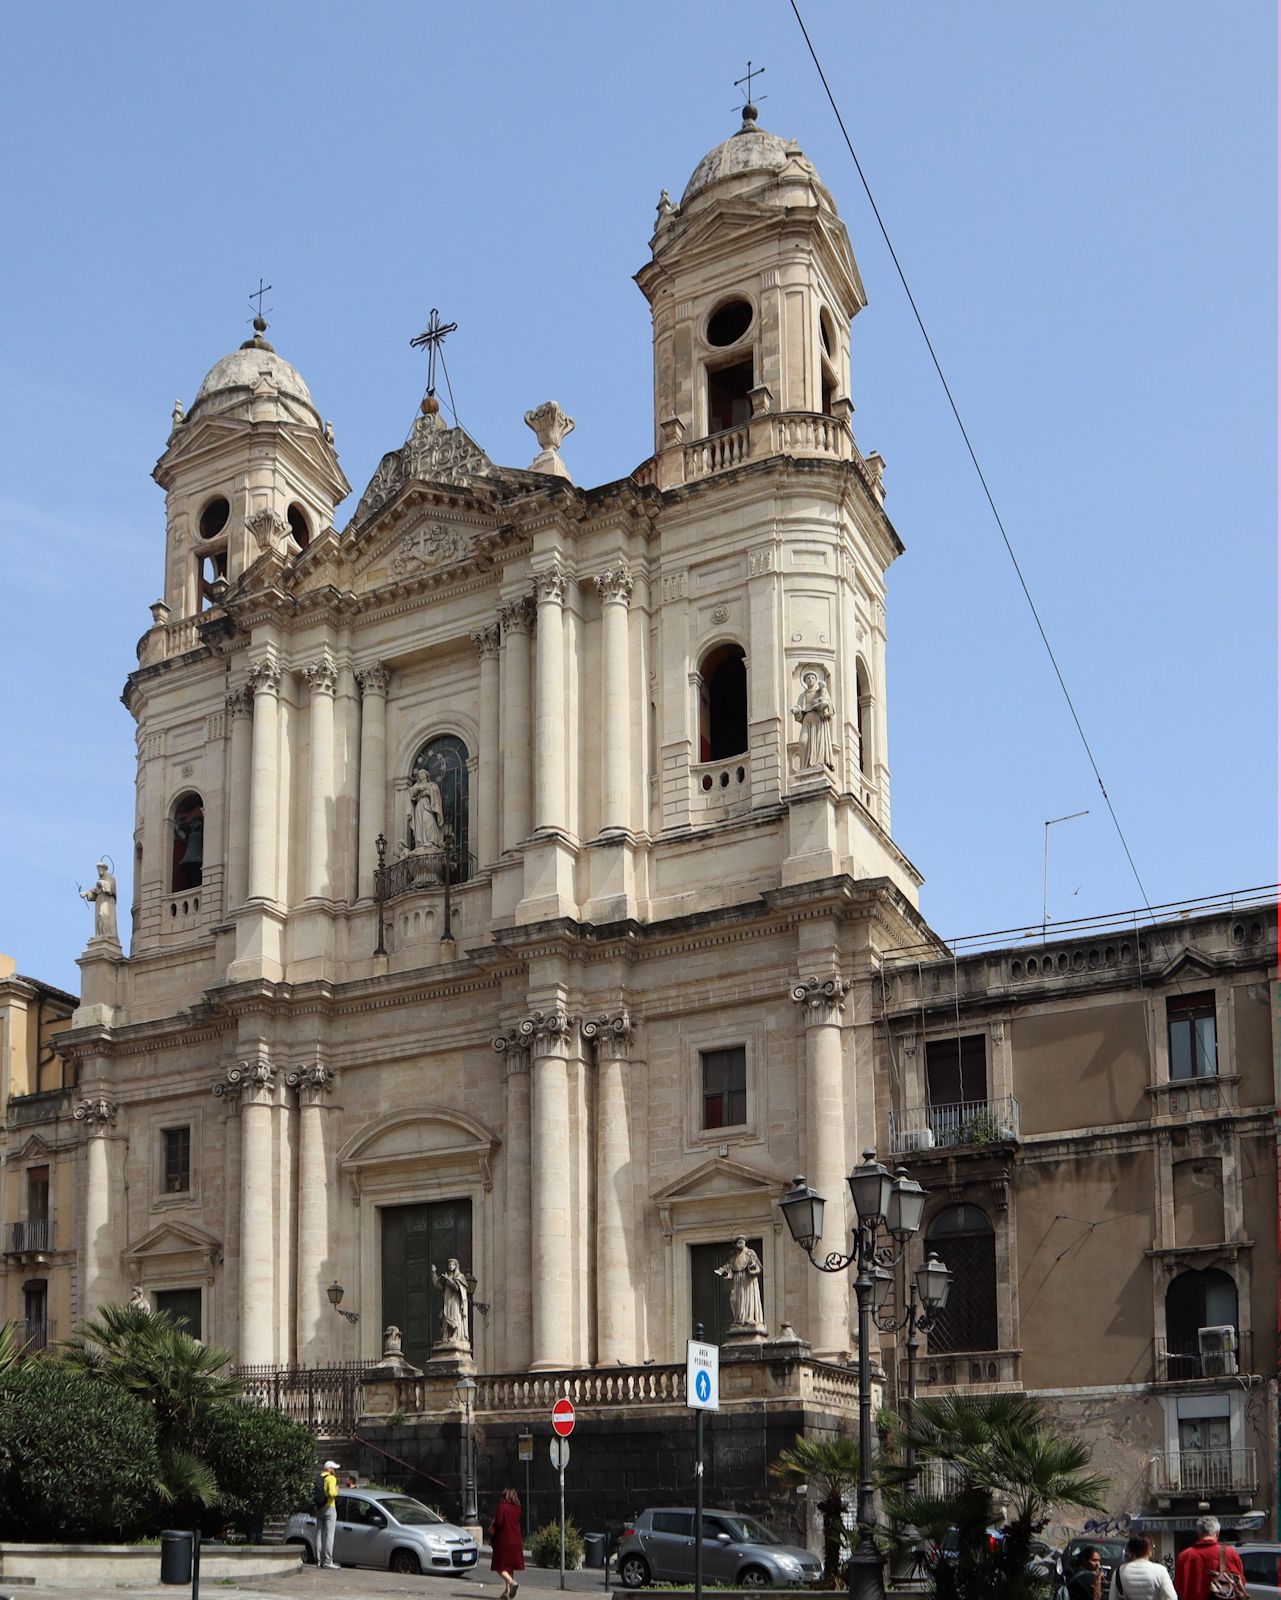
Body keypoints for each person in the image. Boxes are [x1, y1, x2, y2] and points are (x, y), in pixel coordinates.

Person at [1173, 1516, 1245, 1600]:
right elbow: (1241, 1582)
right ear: (1217, 1533)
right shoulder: (1230, 1553)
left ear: (1198, 1534)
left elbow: (1178, 1587)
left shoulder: (1184, 1557)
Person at [714, 1236, 765, 1330]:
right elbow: (729, 1266)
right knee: (734, 1299)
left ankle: (748, 1318)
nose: (740, 1242)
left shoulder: (750, 1253)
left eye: (742, 1240)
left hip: (747, 1279)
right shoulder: (733, 1255)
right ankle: (738, 1318)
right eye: (738, 1241)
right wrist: (723, 1270)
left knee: (747, 1298)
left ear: (745, 1242)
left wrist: (753, 1265)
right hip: (737, 1280)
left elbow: (757, 1266)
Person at [792, 669, 835, 770]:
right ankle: (805, 765)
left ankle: (817, 763)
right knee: (803, 741)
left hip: (817, 719)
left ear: (815, 680)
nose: (810, 680)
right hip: (807, 719)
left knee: (818, 740)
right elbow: (799, 708)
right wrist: (796, 710)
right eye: (808, 678)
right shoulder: (802, 695)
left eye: (812, 678)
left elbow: (827, 703)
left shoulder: (820, 692)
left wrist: (821, 702)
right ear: (805, 681)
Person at [1110, 1534, 1176, 1600]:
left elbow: (1112, 1598)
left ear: (1131, 1550)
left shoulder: (1119, 1572)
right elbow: (1172, 1597)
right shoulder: (1160, 1570)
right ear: (1149, 1550)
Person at [489, 1486, 524, 1600]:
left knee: (499, 1566)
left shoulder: (502, 1507)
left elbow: (499, 1522)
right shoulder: (518, 1508)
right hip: (516, 1541)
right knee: (510, 1567)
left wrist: (492, 1527)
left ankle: (512, 1582)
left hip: (504, 1541)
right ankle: (507, 1592)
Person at [432, 1257, 471, 1347]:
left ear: (456, 1266)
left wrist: (448, 1280)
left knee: (454, 1317)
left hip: (455, 1301)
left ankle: (455, 1336)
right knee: (446, 1317)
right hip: (447, 1300)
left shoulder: (460, 1276)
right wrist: (433, 1273)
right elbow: (439, 1286)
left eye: (452, 1264)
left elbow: (456, 1288)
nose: (450, 1266)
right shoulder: (446, 1276)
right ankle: (446, 1336)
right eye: (449, 1264)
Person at [316, 1459, 341, 1570]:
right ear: (329, 1469)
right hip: (329, 1507)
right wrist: (336, 1491)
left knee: (319, 1534)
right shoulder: (331, 1478)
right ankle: (328, 1561)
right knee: (330, 1535)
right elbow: (331, 1493)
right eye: (334, 1468)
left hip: (319, 1507)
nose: (335, 1470)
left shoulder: (319, 1477)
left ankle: (318, 1560)